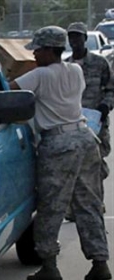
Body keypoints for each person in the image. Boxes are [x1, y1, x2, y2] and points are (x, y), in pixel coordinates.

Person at [9, 26, 111, 280]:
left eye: (37, 50)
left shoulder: (40, 75)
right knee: (88, 202)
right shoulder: (76, 70)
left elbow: (7, 93)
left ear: (48, 50)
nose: (34, 55)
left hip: (58, 143)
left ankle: (49, 265)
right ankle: (99, 260)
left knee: (51, 205)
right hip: (85, 138)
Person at [65, 21, 113, 215]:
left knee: (96, 165)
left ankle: (96, 204)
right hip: (72, 123)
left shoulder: (100, 64)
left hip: (96, 123)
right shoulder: (65, 66)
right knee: (73, 167)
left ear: (85, 39)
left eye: (78, 37)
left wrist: (105, 106)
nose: (75, 41)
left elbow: (111, 89)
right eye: (72, 37)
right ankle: (73, 208)